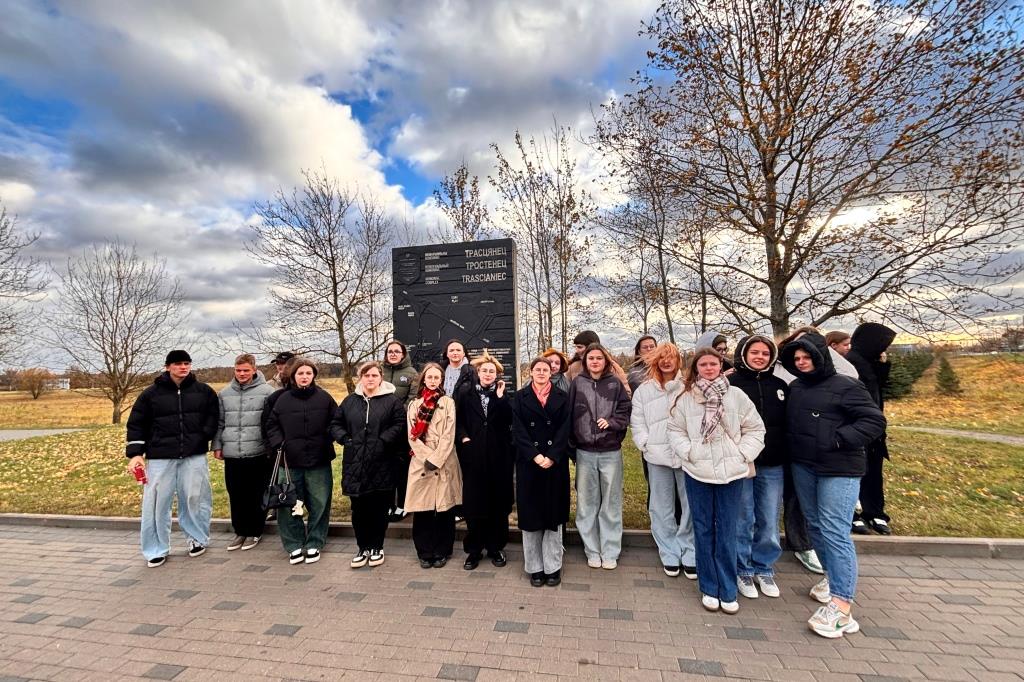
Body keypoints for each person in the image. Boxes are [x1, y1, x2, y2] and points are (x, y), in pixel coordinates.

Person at [779, 332, 885, 638]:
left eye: (807, 357)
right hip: (804, 466)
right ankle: (832, 577)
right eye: (796, 359)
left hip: (839, 468)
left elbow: (873, 421)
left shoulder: (846, 385)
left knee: (835, 529)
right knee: (814, 524)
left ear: (820, 356)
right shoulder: (796, 388)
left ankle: (842, 607)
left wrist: (839, 439)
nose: (802, 363)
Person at [667, 348, 765, 614]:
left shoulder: (736, 396)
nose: (708, 368)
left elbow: (755, 429)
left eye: (713, 363)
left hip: (731, 473)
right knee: (703, 528)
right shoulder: (686, 398)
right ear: (696, 368)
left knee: (727, 529)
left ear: (720, 365)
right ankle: (709, 586)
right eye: (703, 364)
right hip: (698, 471)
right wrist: (689, 452)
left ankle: (728, 587)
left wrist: (743, 454)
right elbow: (675, 429)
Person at [773, 325, 858, 575]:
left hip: (826, 455)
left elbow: (869, 420)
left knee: (820, 516)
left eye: (809, 350)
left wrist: (838, 439)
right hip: (789, 446)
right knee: (792, 499)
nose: (801, 358)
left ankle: (809, 550)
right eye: (797, 352)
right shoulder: (784, 371)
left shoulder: (842, 378)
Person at [125, 350, 219, 567]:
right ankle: (156, 548)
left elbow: (213, 418)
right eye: (178, 364)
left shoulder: (204, 392)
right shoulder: (150, 395)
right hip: (160, 457)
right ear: (168, 367)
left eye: (187, 363)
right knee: (157, 502)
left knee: (195, 498)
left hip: (193, 455)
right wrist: (136, 454)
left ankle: (197, 539)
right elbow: (136, 424)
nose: (183, 367)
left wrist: (202, 436)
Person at [330, 361, 407, 568]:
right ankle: (362, 547)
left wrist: (383, 441)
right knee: (359, 509)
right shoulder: (350, 401)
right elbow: (336, 423)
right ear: (360, 377)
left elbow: (399, 425)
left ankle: (377, 547)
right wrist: (345, 439)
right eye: (366, 375)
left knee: (379, 509)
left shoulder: (392, 402)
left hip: (382, 462)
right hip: (355, 463)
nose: (370, 379)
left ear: (381, 377)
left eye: (374, 375)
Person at [729, 336, 788, 599]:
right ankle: (742, 568)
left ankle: (764, 567)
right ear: (743, 354)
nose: (760, 357)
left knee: (768, 517)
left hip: (772, 461)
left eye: (765, 353)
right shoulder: (730, 384)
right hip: (741, 460)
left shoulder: (780, 385)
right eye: (754, 352)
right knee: (743, 516)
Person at [630, 342, 696, 579]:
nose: (666, 362)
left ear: (678, 360)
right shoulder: (644, 390)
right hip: (657, 456)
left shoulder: (689, 387)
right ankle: (669, 551)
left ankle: (689, 551)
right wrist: (645, 444)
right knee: (661, 506)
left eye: (671, 357)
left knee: (689, 505)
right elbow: (637, 422)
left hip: (685, 456)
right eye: (661, 357)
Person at [265, 357, 337, 565]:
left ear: (313, 375)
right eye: (300, 373)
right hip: (289, 462)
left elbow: (336, 421)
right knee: (287, 504)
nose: (304, 377)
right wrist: (280, 444)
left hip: (318, 460)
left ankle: (315, 541)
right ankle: (294, 544)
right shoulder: (280, 399)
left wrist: (327, 439)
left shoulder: (324, 398)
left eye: (308, 373)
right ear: (293, 376)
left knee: (320, 503)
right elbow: (271, 425)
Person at [569, 343, 632, 570]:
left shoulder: (615, 384)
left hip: (610, 452)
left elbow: (626, 410)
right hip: (585, 452)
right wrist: (572, 444)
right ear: (585, 362)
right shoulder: (578, 383)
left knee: (611, 504)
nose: (595, 361)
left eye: (599, 358)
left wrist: (613, 423)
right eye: (591, 358)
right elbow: (569, 414)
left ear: (605, 361)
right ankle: (592, 550)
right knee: (587, 504)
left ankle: (610, 550)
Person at [511, 358, 572, 587]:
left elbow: (565, 428)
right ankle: (535, 567)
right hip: (529, 463)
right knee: (531, 517)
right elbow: (518, 429)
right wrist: (535, 455)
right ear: (531, 371)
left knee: (553, 517)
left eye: (545, 370)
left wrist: (552, 456)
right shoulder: (520, 397)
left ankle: (553, 566)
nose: (541, 373)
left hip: (554, 464)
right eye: (537, 369)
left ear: (551, 372)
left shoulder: (562, 397)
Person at [454, 352, 514, 570]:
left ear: (497, 374)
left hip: (499, 457)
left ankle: (496, 547)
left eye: (492, 371)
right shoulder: (466, 393)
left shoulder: (503, 394)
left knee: (498, 504)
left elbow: (510, 420)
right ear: (478, 373)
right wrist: (464, 438)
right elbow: (458, 420)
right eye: (484, 370)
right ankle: (474, 550)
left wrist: (500, 399)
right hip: (473, 455)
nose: (488, 374)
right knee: (474, 504)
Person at [212, 353, 276, 552]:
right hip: (232, 452)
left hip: (257, 452)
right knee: (236, 494)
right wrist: (217, 445)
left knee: (256, 494)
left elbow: (271, 423)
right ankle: (240, 531)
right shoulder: (224, 394)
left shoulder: (268, 392)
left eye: (246, 370)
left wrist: (270, 447)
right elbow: (220, 422)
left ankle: (255, 531)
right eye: (238, 370)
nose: (242, 374)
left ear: (254, 370)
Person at [405, 362, 462, 568]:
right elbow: (412, 435)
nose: (433, 381)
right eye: (430, 377)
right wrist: (427, 457)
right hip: (421, 462)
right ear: (424, 379)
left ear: (441, 380)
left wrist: (436, 459)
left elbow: (449, 433)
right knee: (423, 510)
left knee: (445, 510)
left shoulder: (447, 402)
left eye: (437, 377)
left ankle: (442, 550)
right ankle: (424, 551)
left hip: (445, 460)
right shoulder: (414, 404)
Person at [845, 322, 897, 536]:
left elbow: (878, 388)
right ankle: (853, 514)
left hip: (873, 428)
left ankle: (875, 511)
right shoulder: (851, 363)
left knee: (874, 472)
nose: (884, 350)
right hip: (857, 426)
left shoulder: (867, 361)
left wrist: (881, 364)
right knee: (855, 473)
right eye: (882, 345)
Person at [381, 339, 419, 521]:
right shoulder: (379, 371)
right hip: (380, 428)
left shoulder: (412, 374)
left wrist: (394, 415)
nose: (393, 354)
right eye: (390, 351)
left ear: (403, 354)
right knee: (385, 468)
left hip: (401, 428)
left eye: (397, 351)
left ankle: (404, 505)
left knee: (402, 469)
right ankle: (388, 504)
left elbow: (413, 399)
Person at [565, 330, 631, 394]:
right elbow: (567, 393)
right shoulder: (573, 367)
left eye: (580, 347)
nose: (576, 351)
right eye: (576, 347)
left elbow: (626, 394)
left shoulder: (613, 367)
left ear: (591, 347)